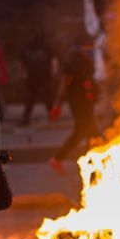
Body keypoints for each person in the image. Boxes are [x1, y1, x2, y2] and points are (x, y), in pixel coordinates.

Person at [47, 46, 99, 175]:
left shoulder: (85, 60)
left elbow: (89, 80)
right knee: (83, 131)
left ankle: (93, 165)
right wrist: (57, 105)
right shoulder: (72, 61)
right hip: (78, 103)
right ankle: (58, 158)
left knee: (90, 132)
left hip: (86, 102)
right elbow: (64, 86)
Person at [20, 32, 53, 126]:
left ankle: (26, 118)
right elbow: (53, 63)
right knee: (45, 98)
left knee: (31, 99)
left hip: (34, 78)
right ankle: (51, 115)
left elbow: (22, 65)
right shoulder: (45, 48)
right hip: (41, 77)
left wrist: (23, 75)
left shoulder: (27, 49)